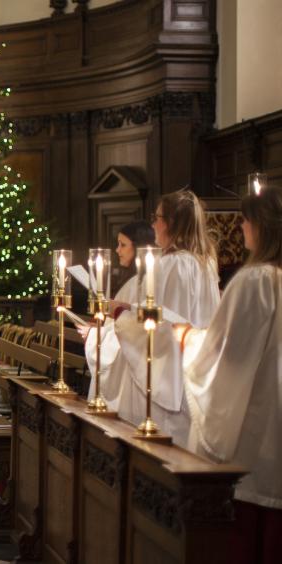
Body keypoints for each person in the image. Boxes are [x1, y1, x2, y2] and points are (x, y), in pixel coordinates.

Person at [179, 185, 282, 563]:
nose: (241, 226)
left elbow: (226, 358)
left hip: (258, 431)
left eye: (246, 220)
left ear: (260, 227)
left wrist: (187, 338)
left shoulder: (256, 282)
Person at [114, 189, 220, 444]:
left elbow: (155, 325)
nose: (153, 224)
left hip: (162, 378)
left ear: (170, 223)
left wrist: (119, 312)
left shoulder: (168, 265)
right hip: (194, 376)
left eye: (157, 217)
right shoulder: (206, 263)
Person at [83, 221, 156, 412]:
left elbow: (131, 334)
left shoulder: (140, 285)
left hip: (130, 376)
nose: (117, 250)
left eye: (123, 245)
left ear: (138, 247)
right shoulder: (132, 282)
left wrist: (92, 336)